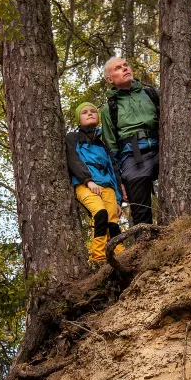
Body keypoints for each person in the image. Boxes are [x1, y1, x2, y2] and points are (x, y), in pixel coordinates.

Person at [100, 57, 191, 225]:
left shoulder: (152, 94)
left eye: (126, 65)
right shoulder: (108, 110)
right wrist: (120, 183)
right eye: (118, 68)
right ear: (110, 79)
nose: (125, 69)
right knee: (141, 217)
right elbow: (111, 150)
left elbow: (177, 123)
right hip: (133, 160)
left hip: (163, 150)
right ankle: (145, 245)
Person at [66, 101, 124, 264]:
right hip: (86, 185)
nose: (90, 113)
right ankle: (98, 256)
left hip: (108, 189)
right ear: (78, 120)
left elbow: (114, 172)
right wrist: (88, 180)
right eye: (85, 112)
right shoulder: (73, 138)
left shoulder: (103, 145)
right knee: (100, 213)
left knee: (113, 221)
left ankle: (119, 252)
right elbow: (74, 160)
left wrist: (118, 199)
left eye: (93, 111)